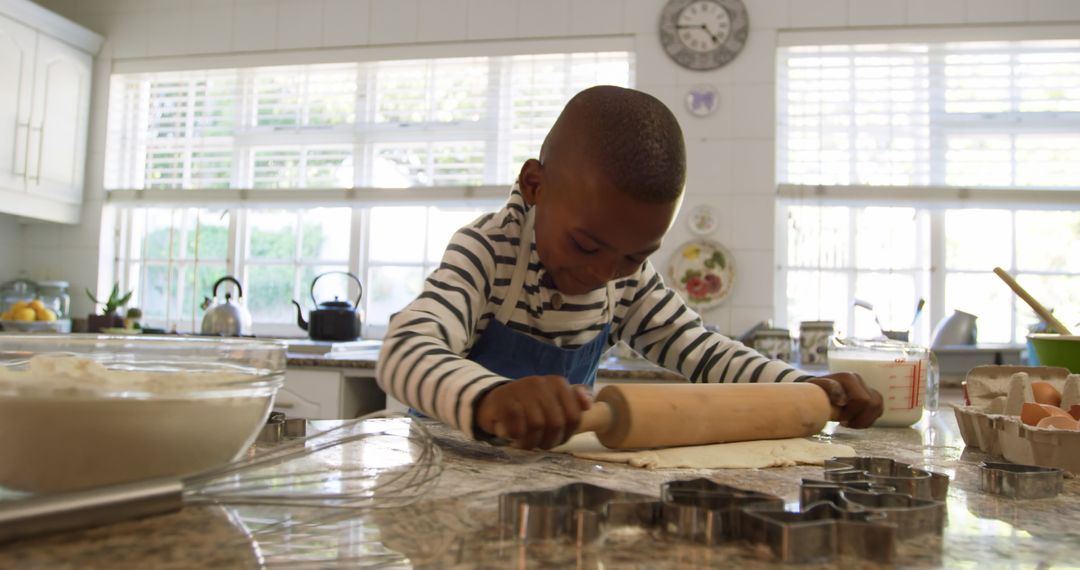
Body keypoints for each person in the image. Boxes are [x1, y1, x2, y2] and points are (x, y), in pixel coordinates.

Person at [377, 85, 883, 450]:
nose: (604, 272)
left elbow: (702, 353)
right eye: (586, 244)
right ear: (535, 185)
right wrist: (488, 398)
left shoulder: (627, 280)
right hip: (443, 469)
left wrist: (802, 389)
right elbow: (404, 352)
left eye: (635, 255)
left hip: (550, 478)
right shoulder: (488, 252)